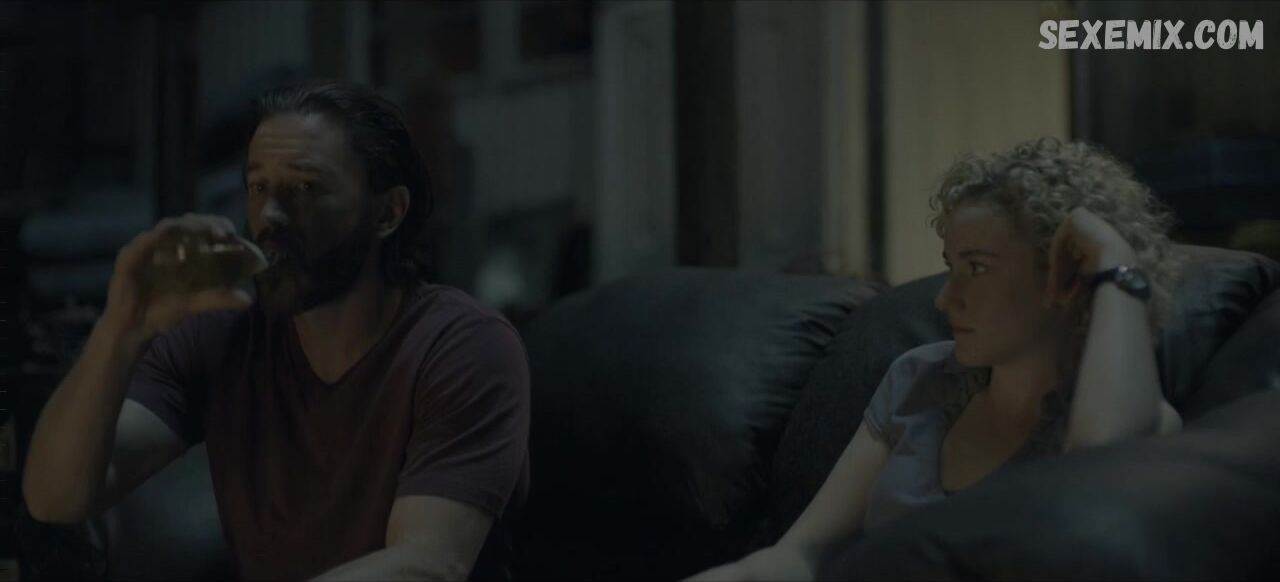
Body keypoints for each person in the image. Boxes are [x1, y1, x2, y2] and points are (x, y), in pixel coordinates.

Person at [23, 81, 530, 581]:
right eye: (258, 187)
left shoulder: (463, 345)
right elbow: (56, 499)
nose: (269, 215)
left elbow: (427, 564)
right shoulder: (218, 338)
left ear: (387, 213)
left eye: (305, 188)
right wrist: (119, 329)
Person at [688, 137, 1185, 581]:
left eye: (977, 269)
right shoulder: (920, 377)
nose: (946, 300)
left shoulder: (1131, 421)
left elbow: (1099, 462)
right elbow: (803, 554)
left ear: (1066, 275)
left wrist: (1115, 264)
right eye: (952, 267)